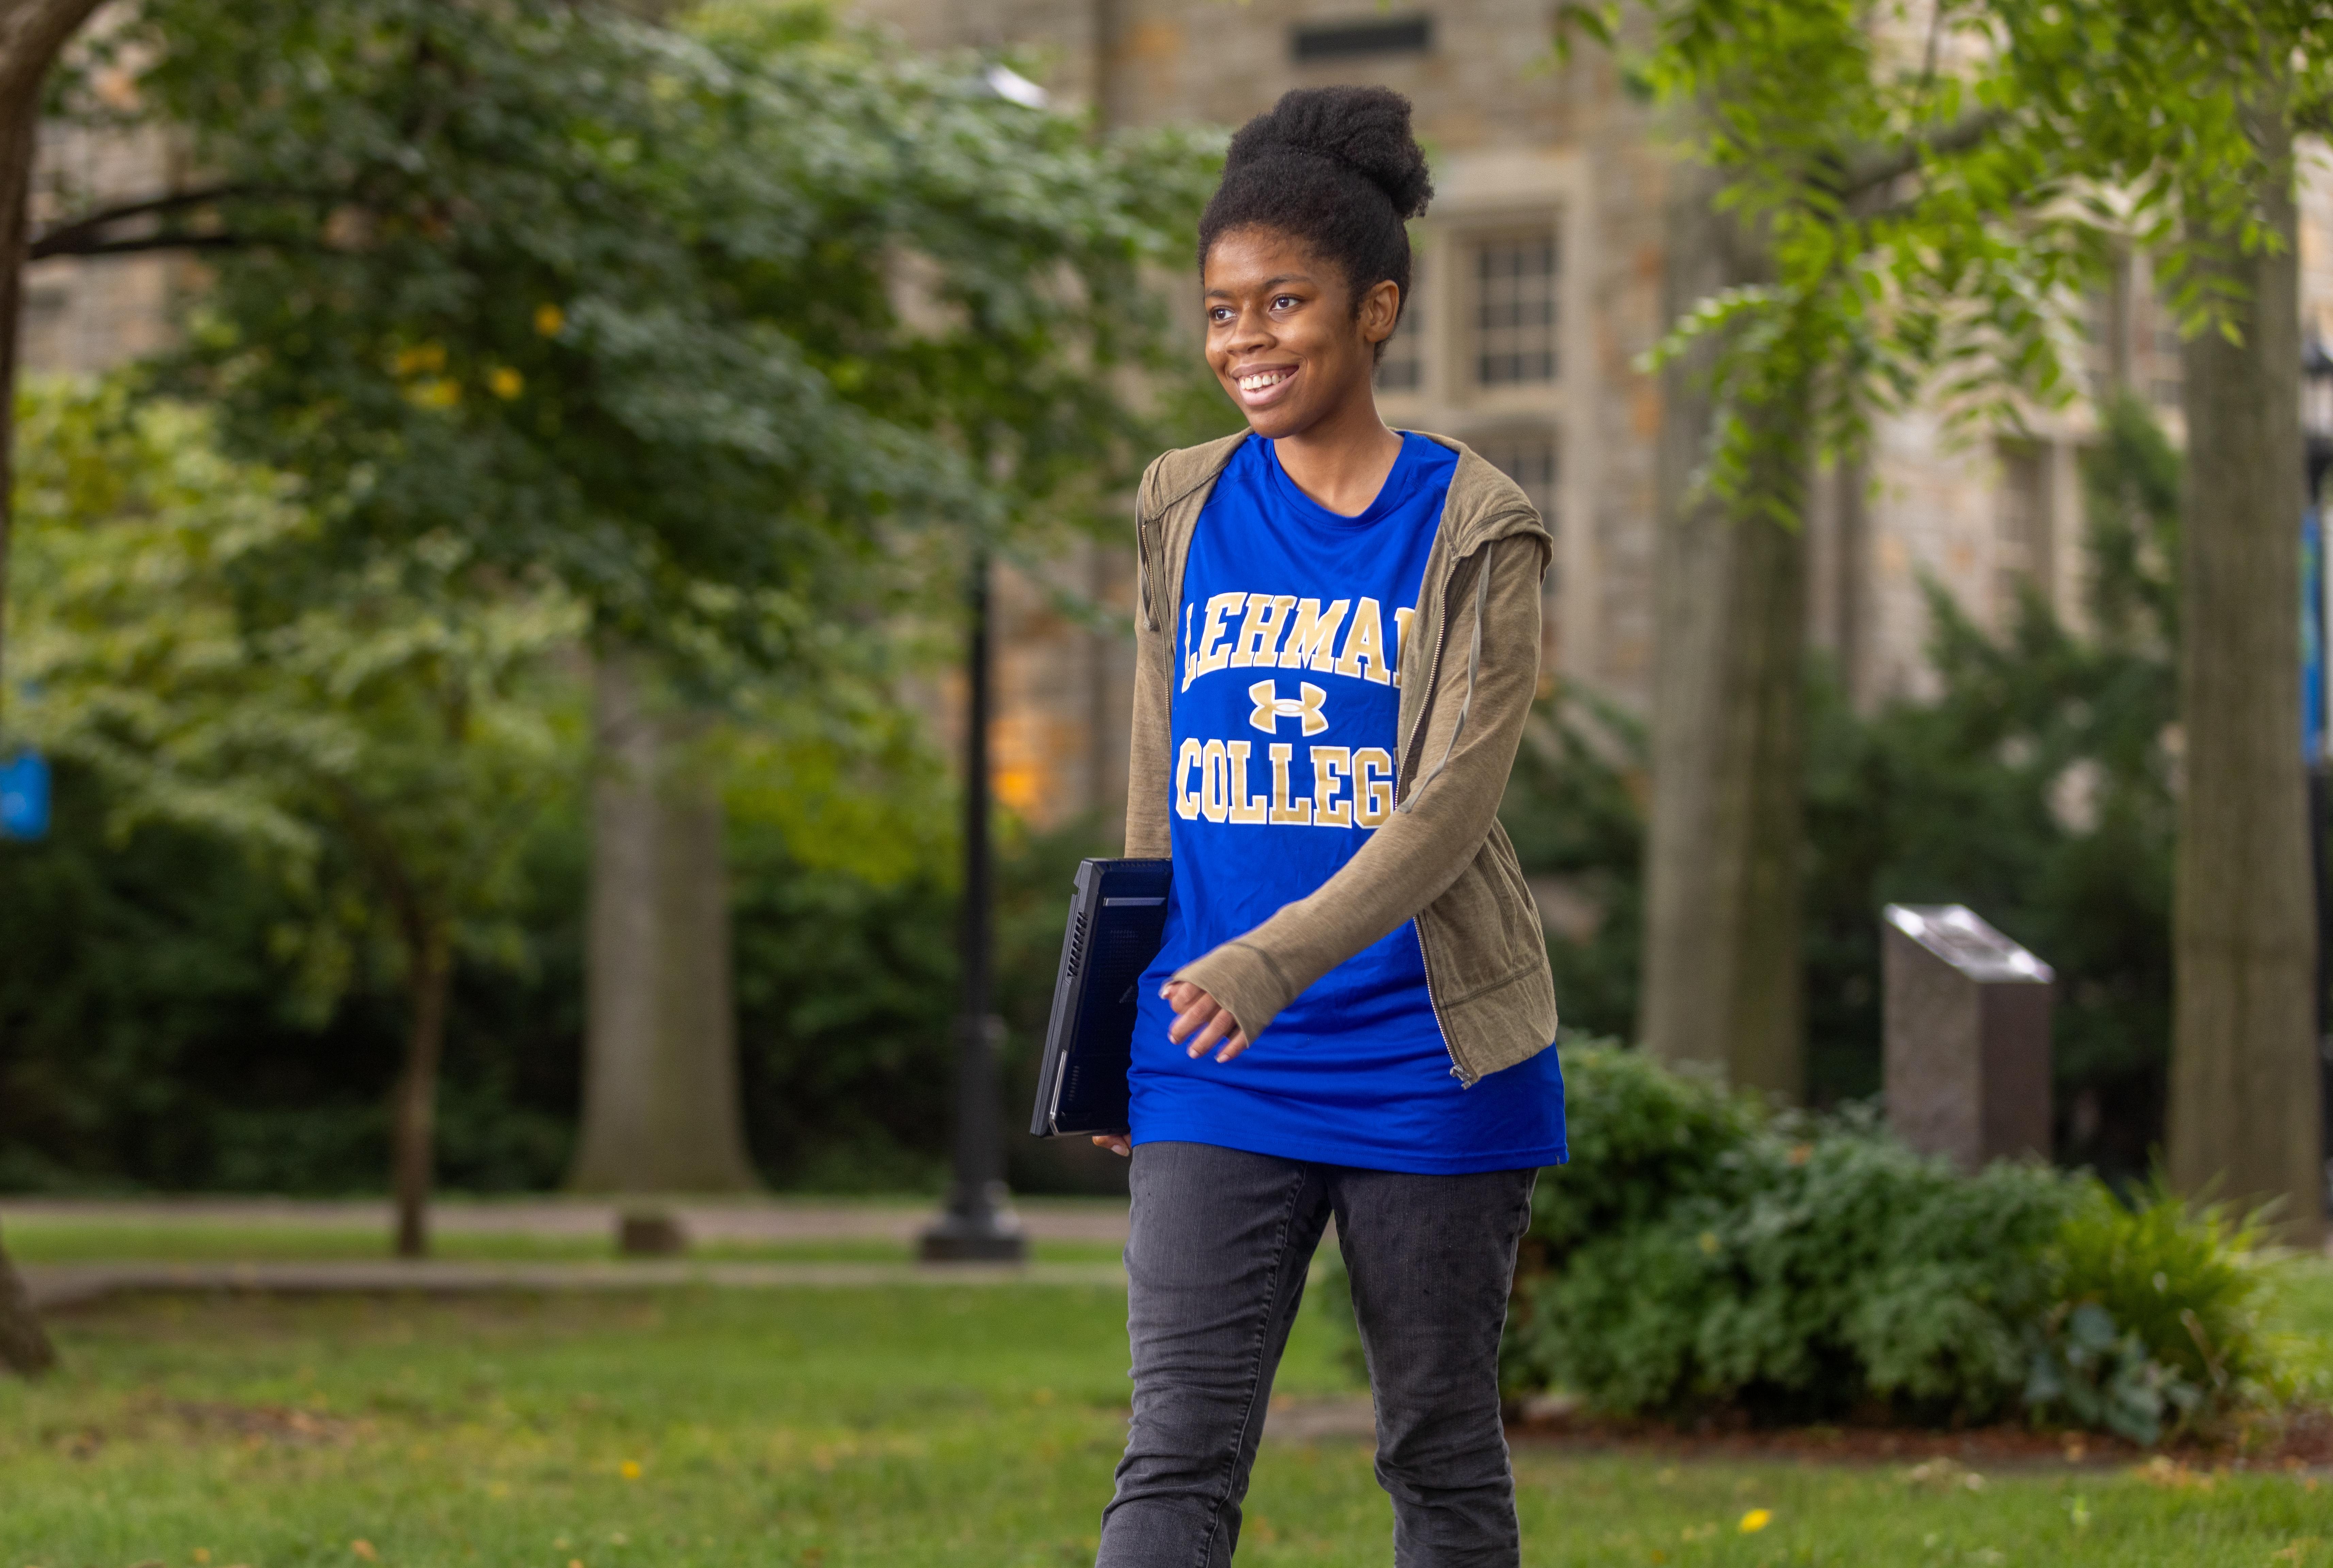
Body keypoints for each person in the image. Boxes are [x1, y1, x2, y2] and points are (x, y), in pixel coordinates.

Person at [1090, 85, 1566, 1568]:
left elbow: (1452, 805)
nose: (1246, 340)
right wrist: (1124, 1007)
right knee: (1174, 1450)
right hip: (1212, 1048)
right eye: (1221, 311)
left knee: (1437, 1450)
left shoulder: (1475, 525)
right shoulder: (1183, 502)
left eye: (1283, 303)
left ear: (1376, 310)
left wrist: (1274, 960)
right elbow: (1157, 766)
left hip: (1427, 1054)